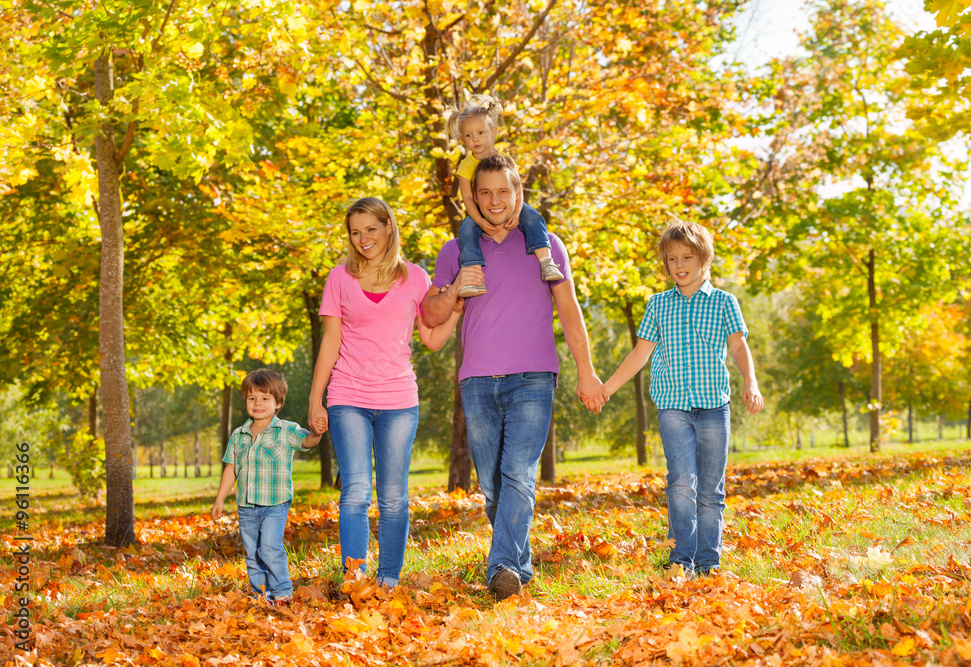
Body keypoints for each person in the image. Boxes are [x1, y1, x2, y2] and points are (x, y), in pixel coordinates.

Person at [422, 154, 605, 601]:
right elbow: (428, 315)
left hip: (534, 377)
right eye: (484, 192)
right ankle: (517, 567)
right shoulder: (455, 250)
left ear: (518, 193)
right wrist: (454, 288)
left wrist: (587, 370)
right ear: (474, 198)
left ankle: (500, 565)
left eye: (503, 191)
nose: (494, 200)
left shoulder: (545, 246)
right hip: (478, 380)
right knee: (494, 487)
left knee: (519, 475)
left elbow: (569, 310)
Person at [307, 197, 461, 588]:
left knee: (393, 496)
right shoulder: (339, 278)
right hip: (348, 395)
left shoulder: (416, 278)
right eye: (355, 232)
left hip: (398, 400)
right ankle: (355, 576)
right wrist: (316, 398)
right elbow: (330, 342)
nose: (363, 239)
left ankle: (389, 577)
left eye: (370, 229)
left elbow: (430, 339)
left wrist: (456, 310)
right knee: (355, 491)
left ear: (388, 227)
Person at [602, 220, 764, 576]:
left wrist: (750, 382)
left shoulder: (724, 302)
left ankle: (709, 562)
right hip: (672, 406)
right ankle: (681, 560)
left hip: (713, 408)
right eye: (671, 259)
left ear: (704, 260)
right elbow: (640, 354)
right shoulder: (658, 305)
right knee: (681, 483)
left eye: (686, 256)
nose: (678, 265)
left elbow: (738, 346)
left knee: (710, 490)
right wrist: (606, 388)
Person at [212, 368, 322, 605]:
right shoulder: (238, 435)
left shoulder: (285, 430)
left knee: (270, 547)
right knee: (253, 554)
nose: (257, 403)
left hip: (275, 503)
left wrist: (317, 432)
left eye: (265, 398)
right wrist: (220, 498)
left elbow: (306, 442)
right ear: (245, 401)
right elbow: (231, 468)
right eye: (252, 398)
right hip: (246, 506)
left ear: (278, 403)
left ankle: (282, 591)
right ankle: (261, 595)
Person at [446, 94, 564, 297]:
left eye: (480, 132)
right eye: (468, 135)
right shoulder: (466, 166)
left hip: (511, 206)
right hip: (479, 210)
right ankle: (473, 274)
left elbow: (518, 191)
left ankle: (546, 261)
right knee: (466, 230)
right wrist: (479, 221)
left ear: (493, 132)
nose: (474, 139)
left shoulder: (505, 160)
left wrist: (517, 214)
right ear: (462, 138)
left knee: (533, 217)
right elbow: (466, 198)